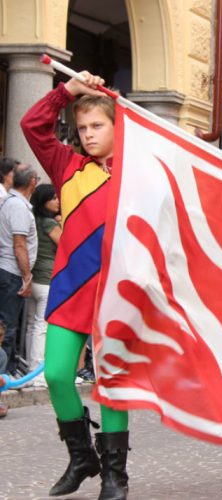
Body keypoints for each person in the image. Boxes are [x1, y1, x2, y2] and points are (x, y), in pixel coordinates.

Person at [21, 71, 129, 499]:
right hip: (70, 287)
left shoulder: (140, 172)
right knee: (57, 374)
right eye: (82, 127)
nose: (88, 134)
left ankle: (115, 476)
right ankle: (83, 456)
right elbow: (32, 125)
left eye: (97, 125)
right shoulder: (67, 165)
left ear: (118, 126)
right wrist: (68, 91)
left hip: (119, 294)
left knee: (113, 384)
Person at [0, 163, 39, 375]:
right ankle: (4, 377)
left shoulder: (12, 202)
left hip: (8, 271)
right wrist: (27, 277)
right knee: (6, 328)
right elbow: (19, 245)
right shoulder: (17, 206)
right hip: (11, 273)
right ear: (32, 182)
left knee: (6, 326)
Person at [24, 184, 61, 386]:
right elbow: (66, 243)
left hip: (33, 277)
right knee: (41, 326)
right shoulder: (49, 223)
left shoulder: (34, 220)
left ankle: (31, 367)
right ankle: (37, 372)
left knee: (32, 325)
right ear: (45, 201)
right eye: (54, 198)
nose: (58, 201)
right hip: (47, 278)